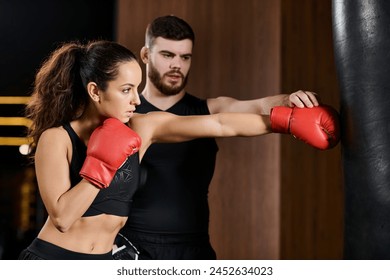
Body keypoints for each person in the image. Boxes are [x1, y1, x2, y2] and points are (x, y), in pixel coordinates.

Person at [17, 39, 338, 260]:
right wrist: (101, 165)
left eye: (136, 88)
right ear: (95, 91)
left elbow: (221, 124)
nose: (136, 100)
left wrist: (286, 117)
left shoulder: (142, 127)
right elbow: (61, 218)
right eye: (126, 90)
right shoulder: (57, 139)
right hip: (53, 260)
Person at [118, 15, 328, 260]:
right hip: (133, 248)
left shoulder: (210, 110)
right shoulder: (125, 114)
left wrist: (288, 101)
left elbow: (256, 106)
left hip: (194, 250)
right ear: (145, 55)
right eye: (167, 55)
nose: (177, 65)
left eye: (185, 57)